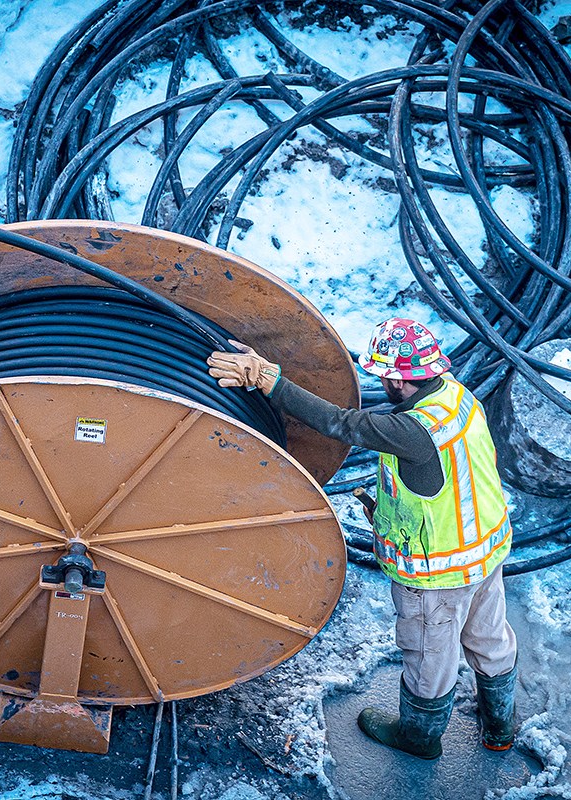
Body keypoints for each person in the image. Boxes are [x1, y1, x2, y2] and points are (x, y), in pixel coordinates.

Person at [207, 318, 517, 760]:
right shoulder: (458, 397)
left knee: (430, 656)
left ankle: (418, 739)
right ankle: (500, 727)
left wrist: (267, 379)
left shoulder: (410, 431)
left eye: (382, 377)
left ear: (395, 378)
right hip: (486, 552)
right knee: (489, 637)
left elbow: (340, 423)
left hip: (439, 573)